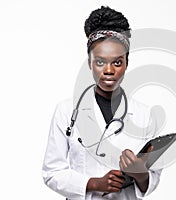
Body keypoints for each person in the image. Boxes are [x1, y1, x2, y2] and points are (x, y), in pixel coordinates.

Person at [42, 6, 161, 200]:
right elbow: (52, 172)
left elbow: (152, 178)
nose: (108, 70)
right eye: (100, 62)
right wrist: (93, 183)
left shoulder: (145, 115)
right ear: (89, 62)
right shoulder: (66, 111)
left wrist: (139, 173)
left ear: (126, 63)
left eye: (117, 62)